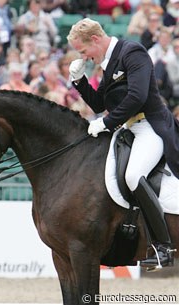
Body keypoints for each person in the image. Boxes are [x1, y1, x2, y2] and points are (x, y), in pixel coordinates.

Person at [67, 17, 179, 268]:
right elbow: (98, 104)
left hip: (151, 126)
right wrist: (79, 81)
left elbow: (137, 97)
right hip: (129, 129)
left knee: (133, 175)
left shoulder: (132, 53)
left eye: (83, 51)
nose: (83, 57)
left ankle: (163, 247)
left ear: (95, 39)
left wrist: (105, 123)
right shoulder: (109, 64)